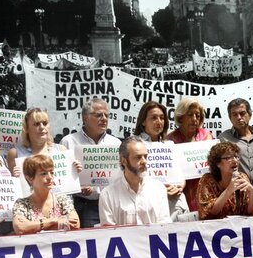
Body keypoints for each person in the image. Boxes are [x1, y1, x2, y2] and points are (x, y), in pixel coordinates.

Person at [60, 98, 121, 227]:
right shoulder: (68, 142)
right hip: (82, 206)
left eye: (106, 115)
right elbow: (61, 179)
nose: (104, 118)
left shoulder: (116, 143)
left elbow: (121, 176)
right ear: (85, 118)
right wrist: (77, 187)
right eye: (99, 115)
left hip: (112, 204)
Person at [134, 101, 189, 221]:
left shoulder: (170, 145)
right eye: (153, 118)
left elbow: (181, 174)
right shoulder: (133, 145)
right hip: (148, 206)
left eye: (162, 118)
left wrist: (180, 187)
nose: (159, 122)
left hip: (174, 204)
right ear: (143, 121)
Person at [99, 136, 172, 225]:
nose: (144, 161)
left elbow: (165, 225)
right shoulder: (107, 195)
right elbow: (107, 232)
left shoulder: (158, 188)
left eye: (145, 156)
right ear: (123, 161)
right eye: (138, 157)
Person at [12, 154, 80, 234]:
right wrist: (53, 221)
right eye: (43, 173)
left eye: (52, 172)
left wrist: (34, 227)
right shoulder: (22, 204)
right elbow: (20, 228)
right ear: (30, 178)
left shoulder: (62, 199)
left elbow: (75, 224)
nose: (50, 177)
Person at [166, 97, 213, 211]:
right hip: (179, 192)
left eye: (197, 115)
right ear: (181, 117)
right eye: (190, 115)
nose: (194, 119)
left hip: (204, 190)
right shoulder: (170, 140)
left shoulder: (206, 136)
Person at [197, 142, 253, 220]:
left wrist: (252, 192)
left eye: (236, 157)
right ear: (217, 163)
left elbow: (252, 212)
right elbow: (209, 212)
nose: (235, 161)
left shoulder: (242, 177)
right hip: (213, 228)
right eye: (228, 158)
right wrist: (229, 190)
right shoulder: (207, 180)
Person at [7, 108, 67, 177]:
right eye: (36, 124)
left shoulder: (61, 150)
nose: (42, 127)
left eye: (45, 123)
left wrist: (75, 171)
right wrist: (15, 179)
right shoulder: (15, 154)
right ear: (26, 128)